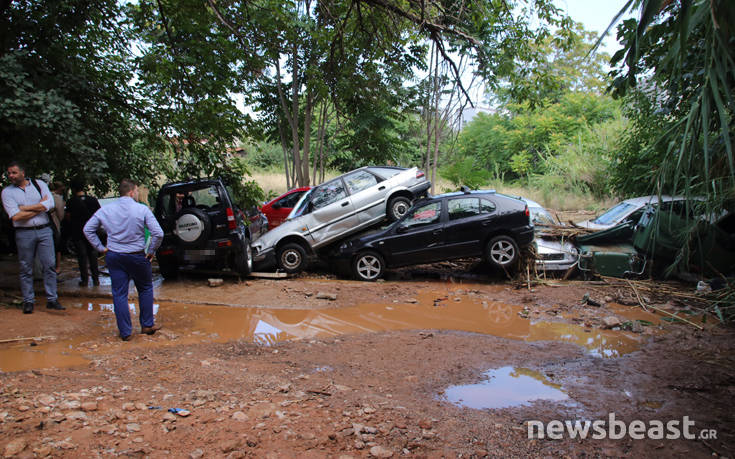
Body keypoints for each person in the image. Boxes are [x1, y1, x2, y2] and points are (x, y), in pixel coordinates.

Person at [83, 179, 163, 341]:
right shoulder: (142, 209)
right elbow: (158, 233)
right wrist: (151, 250)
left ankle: (126, 332)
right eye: (137, 191)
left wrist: (100, 247)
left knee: (119, 294)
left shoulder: (106, 210)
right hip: (137, 255)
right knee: (146, 288)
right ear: (132, 192)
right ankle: (147, 325)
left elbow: (87, 229)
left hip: (115, 255)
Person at [1, 161, 64, 313]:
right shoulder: (7, 192)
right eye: (9, 173)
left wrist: (24, 208)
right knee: (25, 267)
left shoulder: (39, 184)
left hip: (44, 231)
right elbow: (15, 216)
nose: (11, 176)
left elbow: (49, 205)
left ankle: (52, 299)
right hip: (24, 232)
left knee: (49, 265)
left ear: (23, 173)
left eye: (14, 173)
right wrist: (39, 207)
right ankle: (28, 301)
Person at [66, 179, 101, 286]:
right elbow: (100, 215)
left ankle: (84, 280)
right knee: (93, 255)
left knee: (82, 256)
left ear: (73, 189)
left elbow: (68, 217)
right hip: (92, 232)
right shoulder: (93, 200)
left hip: (78, 232)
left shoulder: (71, 201)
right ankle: (96, 279)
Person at [50, 181, 65, 274]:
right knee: (57, 247)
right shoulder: (56, 198)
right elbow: (61, 214)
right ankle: (57, 267)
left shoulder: (45, 196)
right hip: (54, 225)